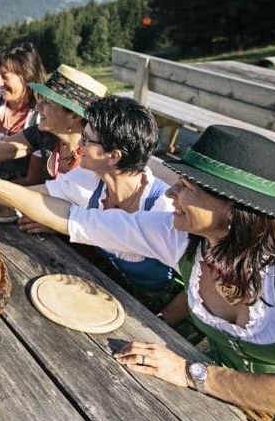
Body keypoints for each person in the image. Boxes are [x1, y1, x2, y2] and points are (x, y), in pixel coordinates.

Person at [0, 124, 275, 421]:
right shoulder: (182, 236)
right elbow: (76, 220)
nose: (170, 194)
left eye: (187, 187)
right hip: (216, 397)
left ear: (234, 209)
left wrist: (189, 372)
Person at [16, 95, 180, 312]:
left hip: (158, 309)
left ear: (113, 156)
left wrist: (163, 321)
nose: (79, 145)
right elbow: (27, 196)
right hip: (105, 288)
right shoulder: (91, 179)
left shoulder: (163, 209)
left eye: (86, 140)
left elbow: (194, 286)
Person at [0, 61, 106, 186]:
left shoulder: (95, 156)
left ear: (74, 117)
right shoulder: (43, 134)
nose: (39, 106)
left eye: (47, 103)